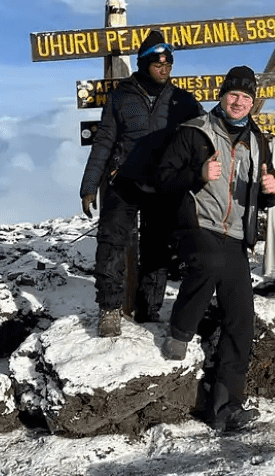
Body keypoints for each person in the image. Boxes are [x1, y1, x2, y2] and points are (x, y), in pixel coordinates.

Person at [154, 65, 275, 433]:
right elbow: (163, 180)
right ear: (222, 96)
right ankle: (180, 330)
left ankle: (227, 408)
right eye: (233, 95)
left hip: (236, 234)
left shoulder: (259, 142)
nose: (239, 102)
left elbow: (258, 199)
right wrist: (197, 175)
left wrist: (270, 193)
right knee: (209, 262)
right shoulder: (194, 132)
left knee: (241, 317)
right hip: (197, 225)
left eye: (246, 97)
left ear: (253, 103)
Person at [79, 30, 203, 337]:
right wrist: (89, 185)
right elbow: (104, 140)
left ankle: (150, 310)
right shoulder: (121, 96)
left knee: (157, 250)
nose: (165, 68)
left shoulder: (183, 101)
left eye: (169, 63)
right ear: (144, 63)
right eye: (158, 63)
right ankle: (110, 309)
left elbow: (203, 137)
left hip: (163, 184)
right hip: (124, 182)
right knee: (111, 244)